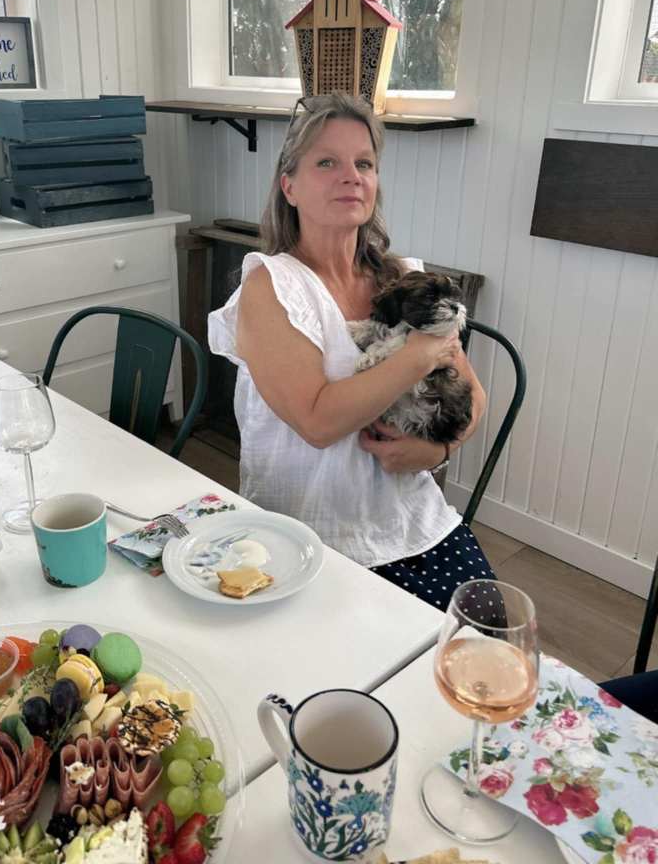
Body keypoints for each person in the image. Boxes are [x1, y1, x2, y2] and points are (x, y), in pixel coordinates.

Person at [208, 92, 490, 611]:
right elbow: (317, 422)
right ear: (288, 186)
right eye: (327, 162)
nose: (351, 175)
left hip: (415, 523)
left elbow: (475, 395)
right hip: (308, 539)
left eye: (364, 163)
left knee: (492, 661)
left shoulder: (404, 277)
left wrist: (439, 452)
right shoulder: (271, 285)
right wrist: (418, 355)